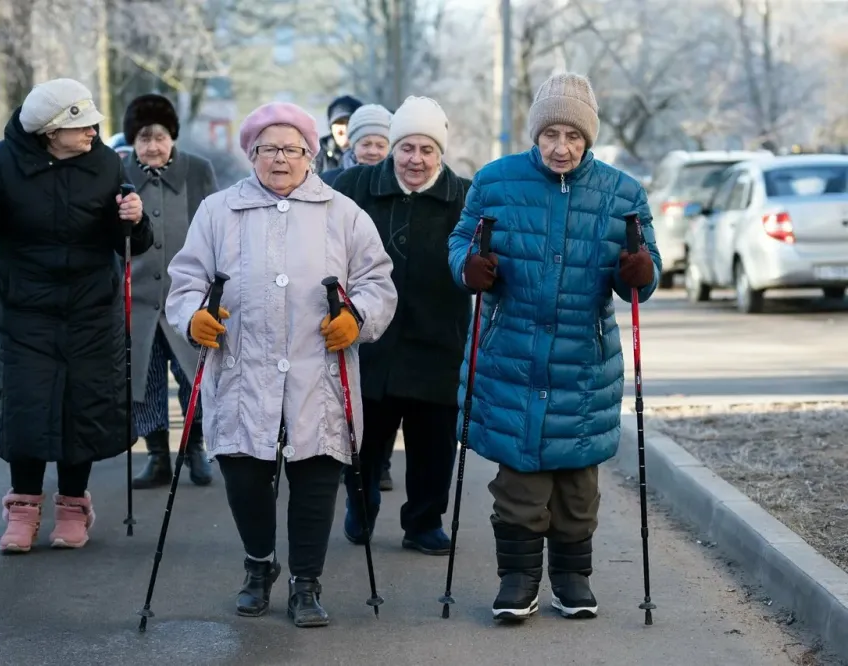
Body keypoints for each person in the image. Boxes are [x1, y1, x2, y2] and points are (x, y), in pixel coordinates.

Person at [165, 101, 397, 628]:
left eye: (292, 149)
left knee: (316, 475)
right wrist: (193, 316)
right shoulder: (218, 212)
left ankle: (307, 583)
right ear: (251, 155)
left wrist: (356, 317)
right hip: (242, 369)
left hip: (320, 370)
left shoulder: (342, 213)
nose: (280, 159)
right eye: (268, 149)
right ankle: (259, 565)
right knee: (245, 474)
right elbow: (187, 280)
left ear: (310, 156)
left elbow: (377, 281)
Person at [447, 72, 660, 621]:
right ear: (535, 134)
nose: (560, 147)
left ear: (588, 138)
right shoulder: (495, 182)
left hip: (582, 360)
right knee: (519, 478)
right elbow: (461, 242)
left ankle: (571, 580)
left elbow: (644, 269)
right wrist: (468, 268)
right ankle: (518, 581)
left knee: (577, 486)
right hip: (510, 352)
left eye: (572, 135)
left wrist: (641, 273)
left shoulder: (623, 193)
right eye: (550, 135)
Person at [0, 78, 152, 553]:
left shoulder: (106, 163)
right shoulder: (1, 162)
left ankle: (72, 507)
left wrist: (135, 219)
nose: (92, 130)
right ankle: (22, 510)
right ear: (50, 130)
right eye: (81, 124)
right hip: (25, 309)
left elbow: (131, 243)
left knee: (81, 404)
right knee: (27, 403)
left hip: (90, 308)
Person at [332, 96, 471, 556]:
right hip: (370, 339)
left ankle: (424, 520)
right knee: (364, 438)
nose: (416, 159)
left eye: (427, 150)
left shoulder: (464, 196)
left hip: (438, 338)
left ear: (441, 154)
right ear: (392, 148)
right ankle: (361, 504)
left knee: (433, 443)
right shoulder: (353, 187)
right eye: (407, 148)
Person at [121, 93, 220, 489]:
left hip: (188, 297)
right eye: (144, 139)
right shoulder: (119, 173)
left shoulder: (198, 170)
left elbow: (216, 229)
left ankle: (195, 450)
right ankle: (158, 456)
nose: (153, 147)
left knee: (194, 375)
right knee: (145, 381)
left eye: (160, 137)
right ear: (133, 143)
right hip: (138, 300)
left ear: (172, 137)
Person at [319, 103, 392, 186]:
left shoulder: (400, 183)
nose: (372, 151)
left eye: (380, 146)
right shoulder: (327, 182)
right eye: (366, 144)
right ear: (353, 145)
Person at [312, 94, 363, 174]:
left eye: (349, 122)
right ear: (331, 127)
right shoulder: (316, 153)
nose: (344, 129)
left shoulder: (370, 153)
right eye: (339, 123)